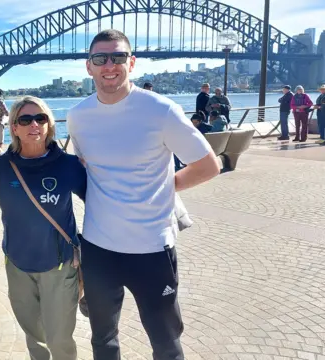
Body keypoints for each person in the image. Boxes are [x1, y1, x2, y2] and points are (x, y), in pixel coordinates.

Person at [66, 29, 220, 360]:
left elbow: (208, 165)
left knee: (165, 341)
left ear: (131, 63)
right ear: (88, 66)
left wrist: (167, 187)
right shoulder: (77, 117)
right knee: (103, 340)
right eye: (100, 58)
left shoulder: (160, 110)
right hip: (98, 248)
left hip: (151, 247)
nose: (110, 65)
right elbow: (87, 168)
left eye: (118, 57)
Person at [0, 96, 86, 360]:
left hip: (58, 266)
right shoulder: (1, 166)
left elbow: (98, 204)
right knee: (34, 336)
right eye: (24, 119)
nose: (33, 124)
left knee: (59, 339)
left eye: (41, 118)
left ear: (49, 125)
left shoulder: (68, 165)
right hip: (17, 264)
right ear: (13, 127)